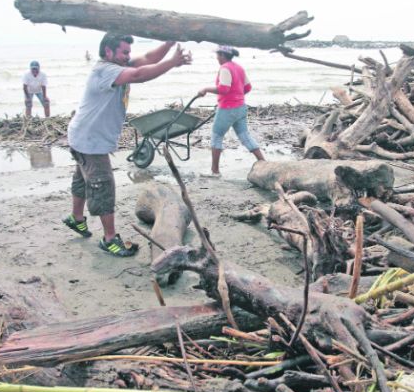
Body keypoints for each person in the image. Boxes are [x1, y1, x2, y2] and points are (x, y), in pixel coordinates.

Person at [63, 33, 192, 257]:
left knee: (82, 180)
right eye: (124, 52)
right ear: (108, 52)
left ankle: (76, 219)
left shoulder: (118, 64)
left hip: (82, 137)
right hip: (91, 142)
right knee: (102, 186)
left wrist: (169, 42)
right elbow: (140, 75)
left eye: (129, 53)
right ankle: (110, 239)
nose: (128, 57)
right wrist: (172, 62)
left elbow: (149, 58)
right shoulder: (105, 70)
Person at [197, 45, 264, 177]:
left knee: (216, 137)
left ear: (222, 55)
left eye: (217, 55)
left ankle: (215, 172)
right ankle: (264, 163)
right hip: (240, 107)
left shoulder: (225, 68)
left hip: (227, 109)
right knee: (245, 137)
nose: (216, 57)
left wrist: (205, 89)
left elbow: (224, 89)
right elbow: (248, 87)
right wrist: (237, 96)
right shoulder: (238, 67)